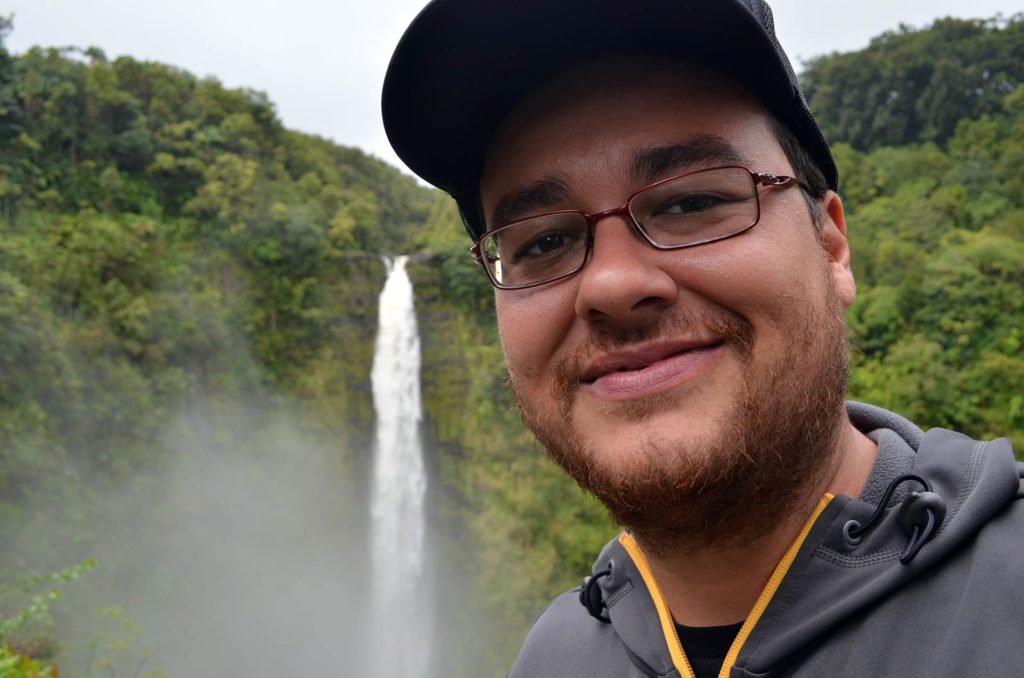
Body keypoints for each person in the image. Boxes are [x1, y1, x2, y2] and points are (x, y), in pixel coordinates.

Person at [382, 1, 1024, 676]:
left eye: (691, 201)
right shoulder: (553, 657)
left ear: (831, 245)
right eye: (544, 241)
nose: (611, 285)